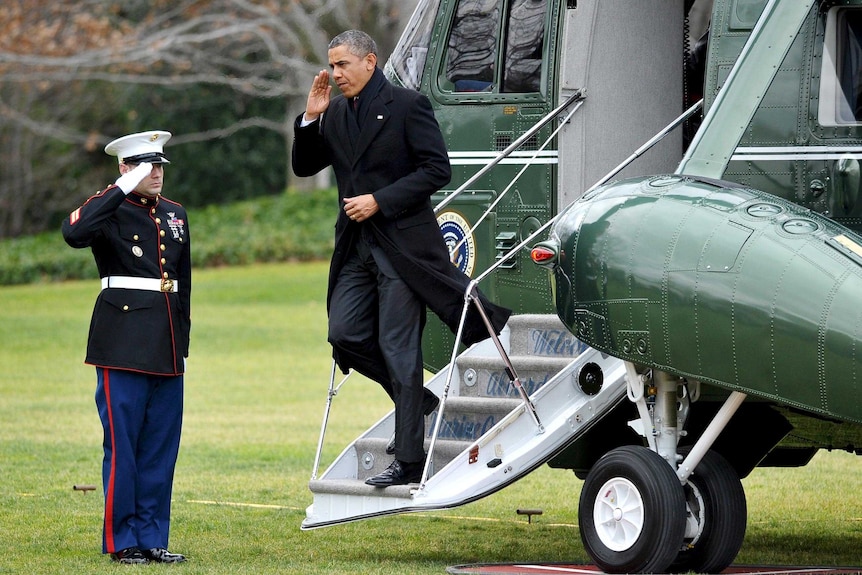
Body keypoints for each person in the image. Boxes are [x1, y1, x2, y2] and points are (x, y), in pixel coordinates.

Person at [292, 30, 511, 487]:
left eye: (342, 65)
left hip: (404, 248)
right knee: (344, 334)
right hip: (355, 247)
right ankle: (416, 401)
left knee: (398, 348)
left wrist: (380, 199)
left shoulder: (408, 106)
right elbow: (305, 167)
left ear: (369, 62)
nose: (335, 74)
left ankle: (410, 460)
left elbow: (437, 169)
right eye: (331, 66)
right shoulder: (331, 112)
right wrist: (309, 120)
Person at [62, 131, 190, 564]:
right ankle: (123, 540)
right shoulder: (109, 211)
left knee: (160, 448)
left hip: (166, 343)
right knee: (124, 447)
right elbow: (73, 233)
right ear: (125, 168)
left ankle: (154, 537)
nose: (155, 173)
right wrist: (119, 188)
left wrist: (183, 342)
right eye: (144, 166)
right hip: (121, 342)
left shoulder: (175, 214)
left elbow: (182, 284)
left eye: (158, 165)